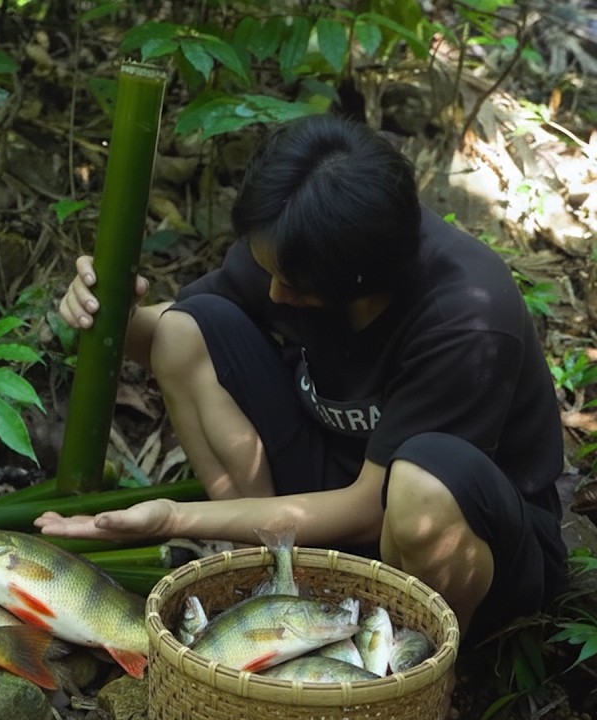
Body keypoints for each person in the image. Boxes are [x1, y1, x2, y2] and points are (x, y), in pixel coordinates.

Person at [35, 113, 567, 648]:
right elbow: (162, 342)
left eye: (292, 286)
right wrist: (107, 314)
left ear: (362, 280)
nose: (273, 295)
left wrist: (174, 516)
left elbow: (371, 507)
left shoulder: (466, 318)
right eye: (269, 273)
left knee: (420, 481)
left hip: (453, 538)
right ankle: (273, 589)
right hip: (331, 486)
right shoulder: (296, 238)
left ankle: (414, 665)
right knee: (182, 332)